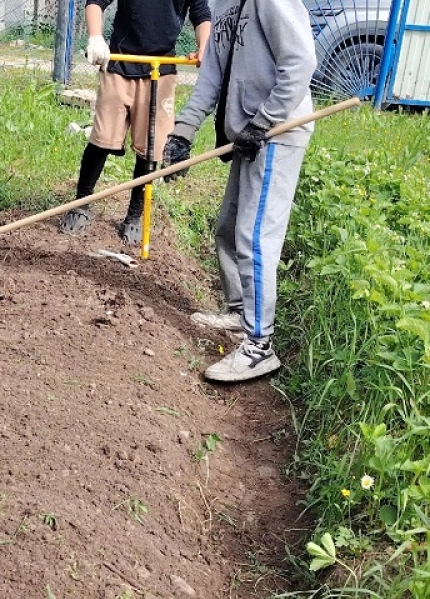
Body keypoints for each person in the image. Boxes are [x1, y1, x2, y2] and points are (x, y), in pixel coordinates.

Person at [160, 0, 317, 383]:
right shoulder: (223, 5)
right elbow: (211, 77)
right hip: (248, 135)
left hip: (277, 134)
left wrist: (263, 122)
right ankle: (239, 310)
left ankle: (259, 345)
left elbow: (300, 63)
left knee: (254, 237)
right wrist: (183, 131)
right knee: (229, 229)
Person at [58, 0, 211, 244]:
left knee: (150, 150)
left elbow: (201, 13)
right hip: (119, 64)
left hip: (161, 69)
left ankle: (134, 216)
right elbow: (95, 2)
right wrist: (95, 37)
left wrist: (204, 47)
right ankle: (81, 204)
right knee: (102, 140)